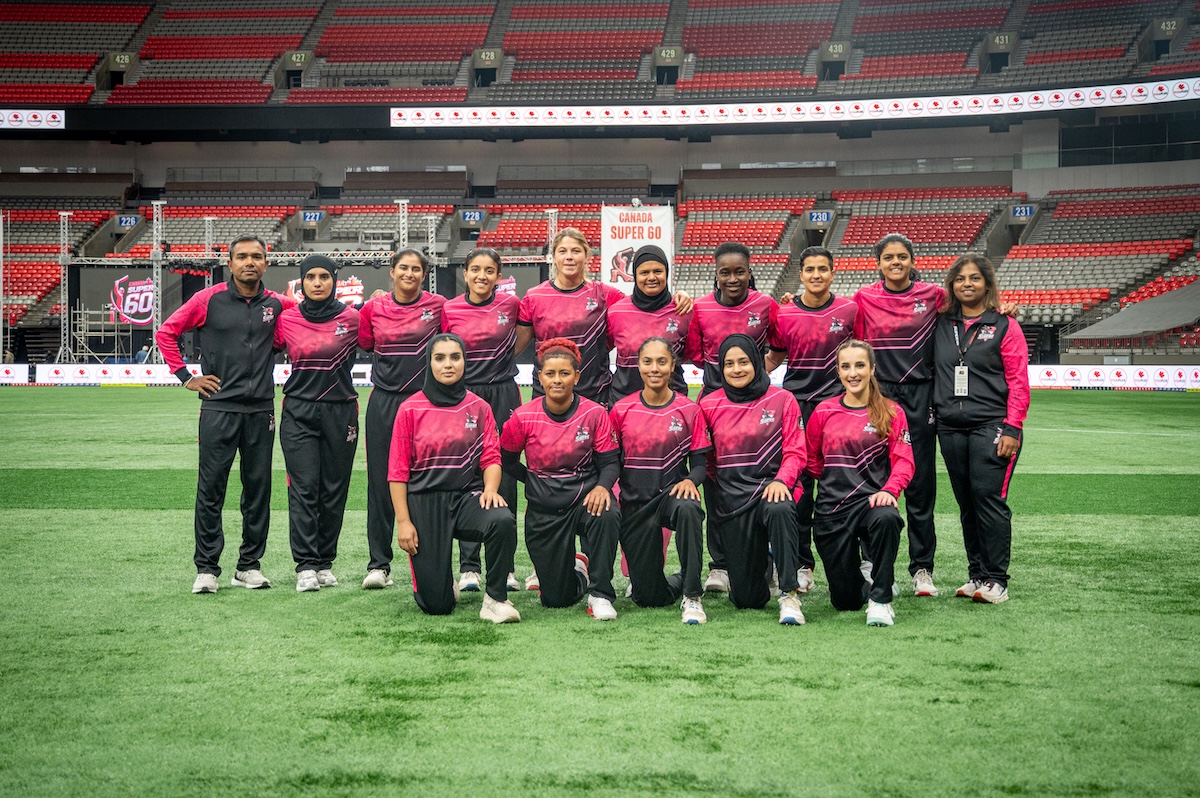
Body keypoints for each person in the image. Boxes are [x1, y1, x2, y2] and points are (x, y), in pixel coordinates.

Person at [155, 234, 294, 594]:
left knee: (258, 490)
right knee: (211, 489)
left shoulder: (279, 305)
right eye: (242, 257)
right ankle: (207, 568)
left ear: (267, 263)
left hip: (262, 409)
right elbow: (166, 332)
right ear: (229, 263)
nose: (250, 262)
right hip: (218, 408)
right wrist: (186, 376)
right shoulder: (208, 299)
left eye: (257, 257)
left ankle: (248, 566)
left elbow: (316, 317)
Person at [388, 334, 520, 622]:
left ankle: (495, 598)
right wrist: (403, 522)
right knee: (436, 605)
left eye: (455, 357)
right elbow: (397, 471)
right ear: (429, 363)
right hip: (424, 503)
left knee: (501, 518)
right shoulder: (410, 409)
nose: (448, 364)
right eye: (440, 358)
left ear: (464, 361)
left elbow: (491, 458)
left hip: (465, 498)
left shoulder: (480, 407)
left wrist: (490, 488)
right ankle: (441, 581)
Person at [499, 338, 622, 621]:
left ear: (576, 376)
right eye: (550, 374)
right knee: (555, 600)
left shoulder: (594, 414)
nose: (557, 380)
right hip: (544, 510)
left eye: (564, 373)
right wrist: (531, 480)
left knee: (607, 512)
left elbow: (610, 463)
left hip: (584, 501)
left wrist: (603, 487)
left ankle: (600, 593)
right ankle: (579, 570)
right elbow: (506, 461)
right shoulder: (522, 418)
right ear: (539, 376)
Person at [932, 254, 1029, 604]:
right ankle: (977, 575)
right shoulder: (941, 322)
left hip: (993, 425)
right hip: (951, 427)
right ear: (952, 286)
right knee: (967, 503)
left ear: (988, 284)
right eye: (960, 279)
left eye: (974, 278)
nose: (967, 284)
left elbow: (1019, 381)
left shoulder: (1005, 326)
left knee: (989, 500)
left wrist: (1012, 428)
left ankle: (997, 580)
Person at [852, 233, 945, 598]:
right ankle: (871, 559)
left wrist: (1004, 310)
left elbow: (973, 304)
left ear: (911, 260)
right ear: (879, 262)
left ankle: (922, 568)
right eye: (889, 257)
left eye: (902, 256)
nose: (895, 262)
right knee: (873, 480)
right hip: (880, 393)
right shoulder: (864, 298)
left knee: (920, 487)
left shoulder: (933, 295)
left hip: (921, 394)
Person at [684, 242, 779, 594]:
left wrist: (755, 377)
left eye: (739, 271)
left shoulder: (766, 305)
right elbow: (695, 353)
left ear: (750, 271)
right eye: (726, 272)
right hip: (713, 403)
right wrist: (725, 381)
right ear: (716, 274)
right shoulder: (702, 307)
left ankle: (769, 555)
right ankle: (719, 564)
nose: (733, 278)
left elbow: (779, 346)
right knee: (716, 482)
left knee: (759, 475)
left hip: (756, 402)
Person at [697, 334, 806, 625]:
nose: (736, 369)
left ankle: (788, 593)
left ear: (757, 363)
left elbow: (796, 451)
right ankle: (764, 560)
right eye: (729, 364)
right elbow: (706, 461)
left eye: (743, 362)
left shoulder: (783, 399)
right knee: (747, 600)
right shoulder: (708, 405)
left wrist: (782, 481)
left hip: (772, 492)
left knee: (780, 507)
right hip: (733, 502)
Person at [767, 245, 857, 596]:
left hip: (839, 409)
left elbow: (863, 352)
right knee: (800, 492)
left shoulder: (850, 309)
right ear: (801, 274)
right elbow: (774, 357)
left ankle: (857, 560)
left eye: (823, 269)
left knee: (845, 485)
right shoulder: (786, 314)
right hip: (799, 408)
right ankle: (802, 564)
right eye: (810, 269)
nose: (816, 275)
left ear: (833, 272)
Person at [805, 340, 914, 627]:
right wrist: (837, 481)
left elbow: (904, 460)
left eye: (860, 365)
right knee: (846, 601)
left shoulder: (891, 412)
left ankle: (881, 600)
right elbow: (813, 460)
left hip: (871, 503)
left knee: (888, 517)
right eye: (846, 367)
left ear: (872, 369)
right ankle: (874, 582)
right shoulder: (823, 412)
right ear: (838, 372)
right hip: (832, 509)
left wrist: (889, 490)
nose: (853, 373)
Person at [358, 249, 446, 590]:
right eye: (403, 268)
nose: (410, 274)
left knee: (425, 484)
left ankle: (430, 561)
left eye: (416, 269)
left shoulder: (439, 306)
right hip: (384, 403)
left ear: (424, 275)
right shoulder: (372, 308)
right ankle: (379, 564)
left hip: (426, 405)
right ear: (392, 272)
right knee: (380, 484)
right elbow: (366, 342)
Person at [273, 255, 360, 592]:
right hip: (299, 412)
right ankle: (306, 565)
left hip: (341, 411)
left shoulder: (353, 319)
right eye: (311, 277)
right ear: (302, 282)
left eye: (325, 276)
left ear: (335, 280)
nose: (318, 283)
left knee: (334, 490)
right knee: (305, 488)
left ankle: (325, 562)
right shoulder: (287, 319)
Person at [609, 338, 709, 624]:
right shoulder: (621, 410)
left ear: (673, 366)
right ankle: (677, 581)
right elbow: (611, 462)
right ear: (638, 365)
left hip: (671, 497)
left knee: (689, 508)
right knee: (649, 598)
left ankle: (692, 595)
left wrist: (691, 481)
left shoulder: (689, 410)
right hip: (636, 504)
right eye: (648, 361)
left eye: (662, 362)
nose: (655, 368)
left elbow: (700, 465)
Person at [440, 247, 522, 593]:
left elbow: (527, 333)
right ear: (466, 273)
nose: (482, 276)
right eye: (475, 270)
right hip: (465, 396)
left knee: (505, 472)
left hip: (504, 392)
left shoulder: (512, 305)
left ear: (499, 276)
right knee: (467, 472)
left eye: (489, 271)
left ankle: (505, 567)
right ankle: (470, 566)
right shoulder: (450, 308)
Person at [606, 245, 692, 402]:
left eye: (657, 271)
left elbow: (693, 354)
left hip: (672, 406)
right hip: (624, 403)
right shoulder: (616, 313)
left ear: (666, 273)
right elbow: (603, 349)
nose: (651, 277)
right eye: (644, 272)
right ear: (635, 275)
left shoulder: (683, 310)